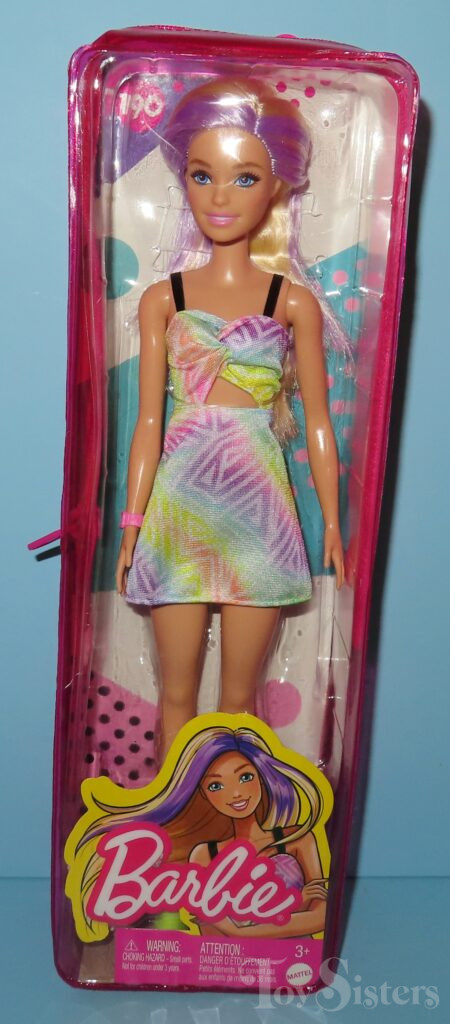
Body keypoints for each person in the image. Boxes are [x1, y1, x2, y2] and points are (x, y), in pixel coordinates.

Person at [115, 78, 346, 762]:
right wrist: (131, 526)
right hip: (179, 508)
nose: (219, 197)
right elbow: (148, 424)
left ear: (277, 187)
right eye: (201, 175)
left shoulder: (291, 302)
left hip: (258, 511)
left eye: (244, 177)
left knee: (240, 705)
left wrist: (335, 524)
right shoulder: (163, 298)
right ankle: (174, 814)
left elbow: (319, 421)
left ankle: (237, 814)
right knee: (176, 698)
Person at [73, 723, 331, 941]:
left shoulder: (297, 839)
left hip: (292, 964)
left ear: (262, 778)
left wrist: (239, 929)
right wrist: (294, 906)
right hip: (233, 966)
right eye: (216, 786)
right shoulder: (205, 854)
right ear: (204, 795)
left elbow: (321, 916)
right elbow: (211, 936)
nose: (236, 793)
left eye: (245, 777)